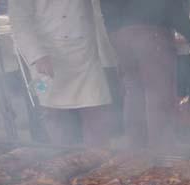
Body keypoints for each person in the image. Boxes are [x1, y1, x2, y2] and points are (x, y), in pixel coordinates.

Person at [10, 0, 115, 146]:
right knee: (53, 113)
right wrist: (37, 55)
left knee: (96, 109)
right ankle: (62, 154)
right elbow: (19, 21)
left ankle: (98, 155)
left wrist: (109, 52)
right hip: (47, 57)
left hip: (86, 53)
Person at [99, 0, 190, 148]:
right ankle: (162, 151)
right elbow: (168, 4)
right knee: (159, 95)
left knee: (134, 92)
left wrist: (114, 33)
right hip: (152, 32)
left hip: (119, 35)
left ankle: (137, 149)